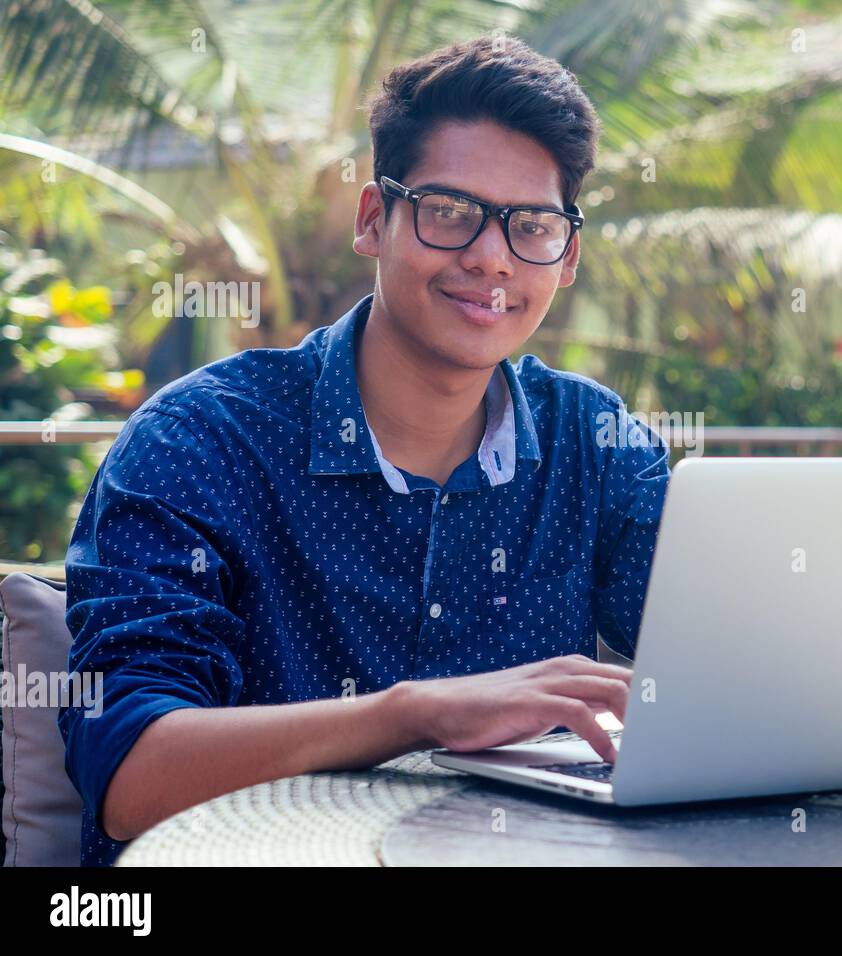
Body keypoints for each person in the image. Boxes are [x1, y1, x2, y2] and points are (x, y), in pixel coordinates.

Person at [59, 35, 670, 866]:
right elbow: (129, 777)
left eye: (532, 226)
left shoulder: (597, 445)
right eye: (451, 210)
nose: (491, 256)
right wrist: (414, 713)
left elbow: (719, 674)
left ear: (565, 260)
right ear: (374, 221)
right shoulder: (197, 441)